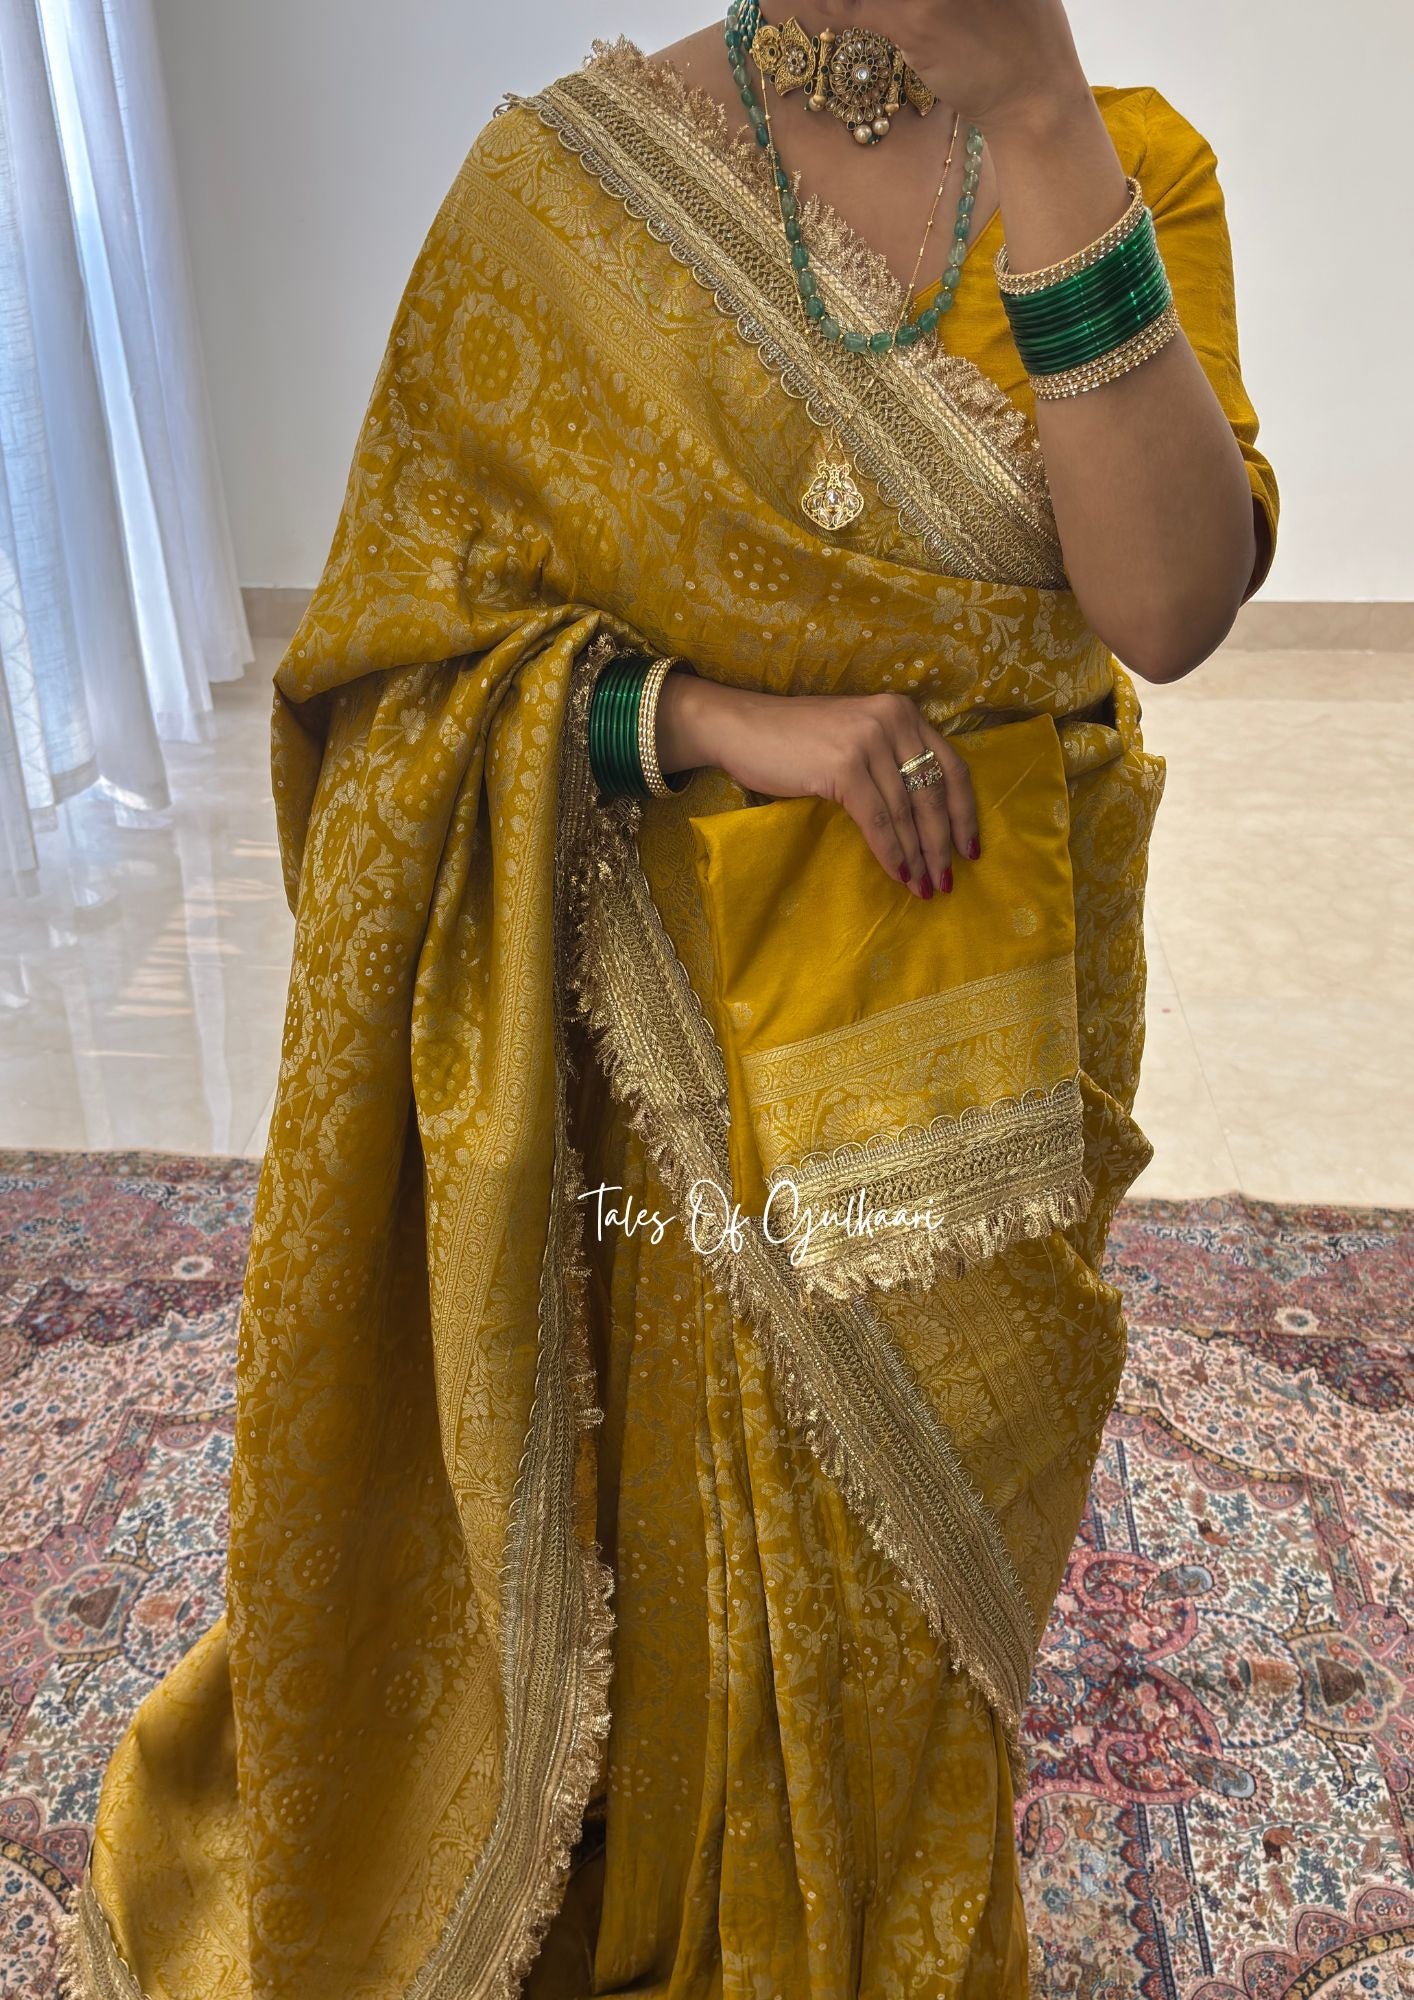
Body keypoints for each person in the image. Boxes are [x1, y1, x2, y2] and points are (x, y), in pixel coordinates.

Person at [64, 2, 1278, 1995]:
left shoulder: (1133, 170)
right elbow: (403, 673)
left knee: (916, 1579)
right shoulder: (565, 194)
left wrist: (1038, 110)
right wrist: (713, 717)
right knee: (660, 1528)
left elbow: (1162, 608)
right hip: (655, 1019)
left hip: (985, 1009)